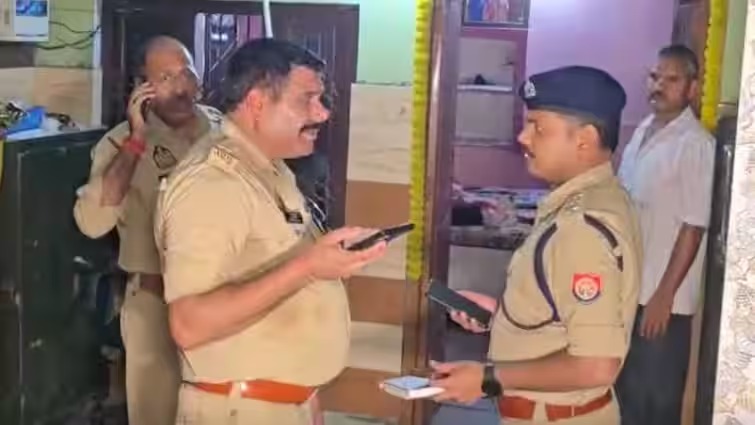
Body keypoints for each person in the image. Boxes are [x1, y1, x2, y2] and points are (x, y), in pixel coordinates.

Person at [153, 38, 387, 425]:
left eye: (321, 99)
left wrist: (306, 401)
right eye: (307, 100)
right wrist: (308, 268)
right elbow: (189, 325)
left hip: (281, 407)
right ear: (257, 102)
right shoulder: (213, 182)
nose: (322, 113)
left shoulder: (269, 169)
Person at [428, 66, 642, 425]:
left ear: (585, 139)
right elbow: (566, 314)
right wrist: (504, 317)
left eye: (538, 127)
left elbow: (595, 365)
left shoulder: (580, 227)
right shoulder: (604, 197)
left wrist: (486, 378)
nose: (523, 137)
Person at [73, 36, 222, 425]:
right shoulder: (119, 143)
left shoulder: (224, 130)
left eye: (186, 72)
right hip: (156, 306)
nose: (181, 86)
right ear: (143, 88)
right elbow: (93, 222)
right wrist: (136, 141)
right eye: (166, 77)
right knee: (157, 414)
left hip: (223, 302)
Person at [615, 45, 715, 425]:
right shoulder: (644, 130)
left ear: (692, 88)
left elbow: (694, 226)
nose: (659, 85)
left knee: (655, 405)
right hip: (631, 291)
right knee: (626, 398)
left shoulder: (696, 145)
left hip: (663, 303)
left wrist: (663, 296)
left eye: (672, 79)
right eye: (655, 76)